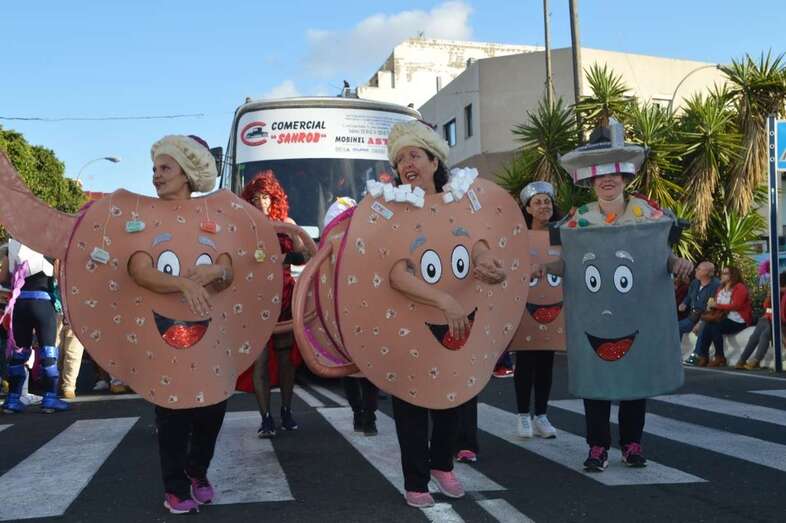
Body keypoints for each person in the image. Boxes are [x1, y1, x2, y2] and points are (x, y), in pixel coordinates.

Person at [538, 119, 693, 472]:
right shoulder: (579, 220)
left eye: (614, 176)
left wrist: (677, 263)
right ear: (592, 182)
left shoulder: (647, 215)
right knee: (596, 380)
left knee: (634, 378)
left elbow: (660, 257)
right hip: (595, 315)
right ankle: (597, 446)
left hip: (635, 312)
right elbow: (570, 266)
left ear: (624, 178)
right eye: (600, 177)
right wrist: (545, 268)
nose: (607, 182)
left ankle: (632, 443)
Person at [385, 120, 506, 508]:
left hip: (458, 320)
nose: (407, 163)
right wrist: (442, 300)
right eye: (400, 158)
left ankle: (442, 464)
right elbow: (395, 271)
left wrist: (489, 263)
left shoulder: (460, 205)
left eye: (414, 155)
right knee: (411, 402)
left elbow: (477, 245)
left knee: (455, 395)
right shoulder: (393, 211)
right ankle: (416, 480)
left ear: (435, 162)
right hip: (410, 320)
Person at [128, 135, 232, 514]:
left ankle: (196, 470)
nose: (156, 176)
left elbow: (228, 269)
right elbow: (139, 270)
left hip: (209, 326)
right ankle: (174, 487)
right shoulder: (144, 219)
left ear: (188, 173)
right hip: (163, 328)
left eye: (165, 168)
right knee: (172, 410)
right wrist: (182, 283)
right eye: (154, 169)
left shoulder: (212, 218)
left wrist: (216, 270)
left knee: (213, 406)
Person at [241, 171, 311, 438]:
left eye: (267, 197)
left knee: (286, 361)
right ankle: (266, 417)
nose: (262, 203)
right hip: (255, 299)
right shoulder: (244, 226)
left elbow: (305, 253)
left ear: (275, 199)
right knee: (259, 360)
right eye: (257, 198)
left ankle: (286, 410)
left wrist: (285, 256)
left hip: (283, 296)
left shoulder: (287, 223)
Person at [514, 181, 562, 439]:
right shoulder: (518, 235)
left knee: (546, 362)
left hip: (553, 308)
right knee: (525, 361)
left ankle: (541, 415)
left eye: (547, 201)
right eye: (538, 202)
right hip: (525, 307)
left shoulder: (560, 234)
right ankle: (522, 415)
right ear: (528, 209)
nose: (544, 206)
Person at [2, 238, 69, 413]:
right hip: (42, 303)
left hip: (20, 303)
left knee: (19, 354)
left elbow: (3, 277)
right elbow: (59, 276)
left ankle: (13, 400)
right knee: (48, 352)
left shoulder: (13, 245)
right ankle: (50, 399)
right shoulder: (48, 244)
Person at [692, 265, 751, 368]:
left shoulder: (740, 287)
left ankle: (719, 356)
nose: (722, 275)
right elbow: (716, 303)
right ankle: (704, 356)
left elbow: (737, 305)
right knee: (708, 325)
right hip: (723, 318)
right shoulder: (721, 288)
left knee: (714, 326)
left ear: (733, 275)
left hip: (738, 320)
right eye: (722, 273)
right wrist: (712, 306)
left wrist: (717, 305)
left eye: (725, 273)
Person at [736, 271, 786, 369]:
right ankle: (744, 360)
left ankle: (753, 360)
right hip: (771, 320)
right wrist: (770, 296)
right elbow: (767, 307)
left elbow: (782, 315)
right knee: (756, 335)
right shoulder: (778, 293)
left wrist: (770, 315)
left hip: (780, 323)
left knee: (765, 334)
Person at [680, 262, 720, 357]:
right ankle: (674, 352)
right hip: (693, 315)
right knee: (677, 327)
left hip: (707, 316)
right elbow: (689, 295)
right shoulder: (695, 282)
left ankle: (697, 356)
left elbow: (712, 307)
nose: (696, 270)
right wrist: (684, 303)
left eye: (698, 269)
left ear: (707, 273)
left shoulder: (716, 285)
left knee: (703, 330)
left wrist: (700, 322)